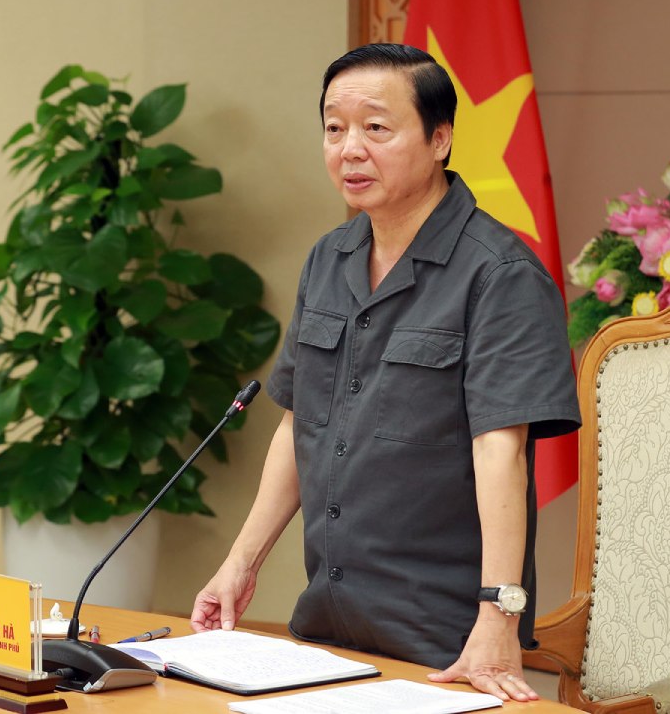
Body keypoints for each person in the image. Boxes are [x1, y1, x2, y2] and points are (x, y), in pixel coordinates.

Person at [190, 43, 580, 703]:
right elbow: (298, 426)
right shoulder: (329, 258)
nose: (350, 149)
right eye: (334, 128)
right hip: (329, 624)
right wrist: (239, 564)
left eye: (376, 127)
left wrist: (498, 615)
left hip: (444, 641)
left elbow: (502, 453)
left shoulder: (500, 274)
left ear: (439, 139)